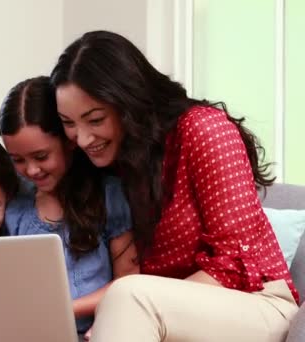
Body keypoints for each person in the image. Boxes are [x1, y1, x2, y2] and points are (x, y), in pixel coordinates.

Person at [50, 30, 300, 342]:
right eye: (69, 123)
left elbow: (234, 265)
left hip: (256, 303)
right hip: (167, 314)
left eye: (95, 120)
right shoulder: (121, 164)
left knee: (128, 298)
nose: (83, 139)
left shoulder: (204, 129)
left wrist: (122, 309)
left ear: (128, 102)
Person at [0, 76, 139, 334]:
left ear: (70, 141)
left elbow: (128, 282)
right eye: (17, 159)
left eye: (41, 156)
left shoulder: (108, 195)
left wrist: (65, 308)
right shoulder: (14, 204)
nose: (31, 170)